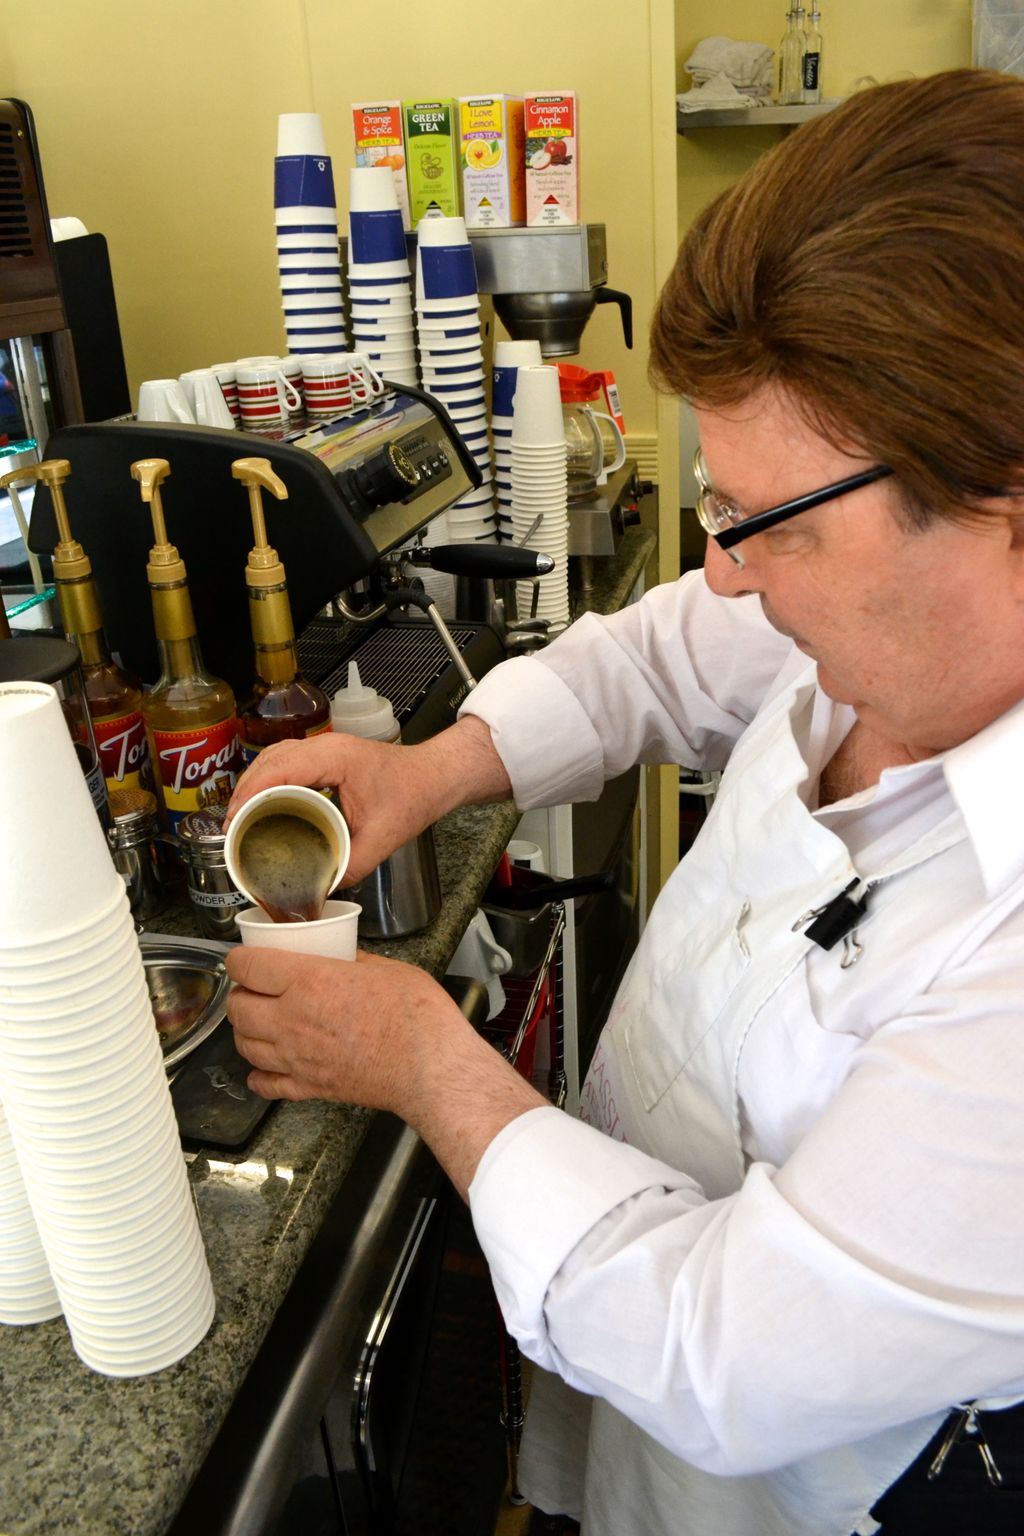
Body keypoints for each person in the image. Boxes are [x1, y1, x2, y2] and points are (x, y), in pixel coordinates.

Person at [226, 69, 1024, 1536]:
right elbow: (662, 652)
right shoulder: (879, 622)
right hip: (618, 1397)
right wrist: (433, 767)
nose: (723, 569)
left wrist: (431, 1064)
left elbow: (721, 1351)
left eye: (763, 525)